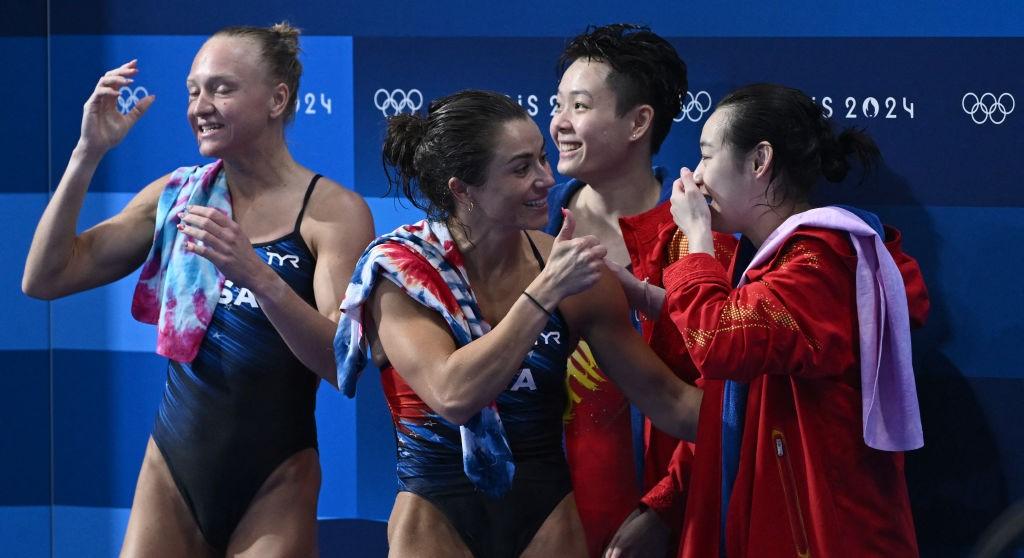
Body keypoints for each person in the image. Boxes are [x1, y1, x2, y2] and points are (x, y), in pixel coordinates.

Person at [22, 23, 374, 556]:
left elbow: (341, 363)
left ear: (277, 99)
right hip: (172, 473)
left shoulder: (332, 213)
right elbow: (46, 277)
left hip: (276, 481)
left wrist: (257, 275)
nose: (200, 106)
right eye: (193, 90)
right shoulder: (179, 196)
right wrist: (86, 154)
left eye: (221, 88)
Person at [333, 90, 702, 558]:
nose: (546, 179)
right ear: (462, 188)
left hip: (546, 515)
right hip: (436, 516)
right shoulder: (402, 274)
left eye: (542, 160)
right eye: (521, 167)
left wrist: (777, 417)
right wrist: (545, 292)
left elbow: (669, 400)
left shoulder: (576, 273)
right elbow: (453, 394)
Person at [615, 83, 930, 557]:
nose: (695, 177)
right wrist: (631, 291)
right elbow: (745, 346)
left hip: (826, 535)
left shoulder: (821, 262)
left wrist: (697, 236)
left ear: (759, 161)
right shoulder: (786, 261)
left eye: (704, 156)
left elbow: (720, 342)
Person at [546, 23, 736, 556]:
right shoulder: (529, 230)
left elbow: (730, 398)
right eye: (556, 104)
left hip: (671, 529)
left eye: (579, 106)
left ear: (638, 121)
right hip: (542, 521)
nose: (558, 123)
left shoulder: (700, 241)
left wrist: (665, 506)